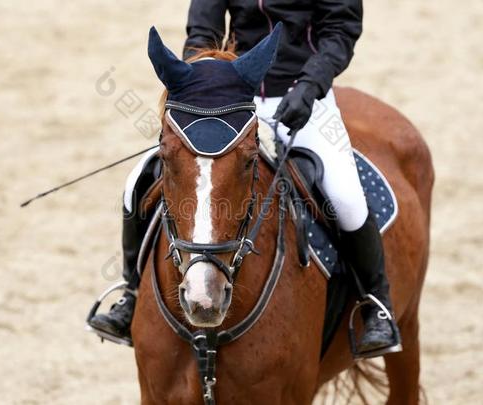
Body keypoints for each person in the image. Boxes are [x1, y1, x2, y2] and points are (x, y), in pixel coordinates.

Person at [88, 0, 401, 358]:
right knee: (138, 181)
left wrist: (311, 85)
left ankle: (376, 304)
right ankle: (131, 293)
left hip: (303, 98)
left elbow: (340, 29)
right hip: (227, 99)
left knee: (345, 197)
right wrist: (201, 80)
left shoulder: (309, 89)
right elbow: (203, 29)